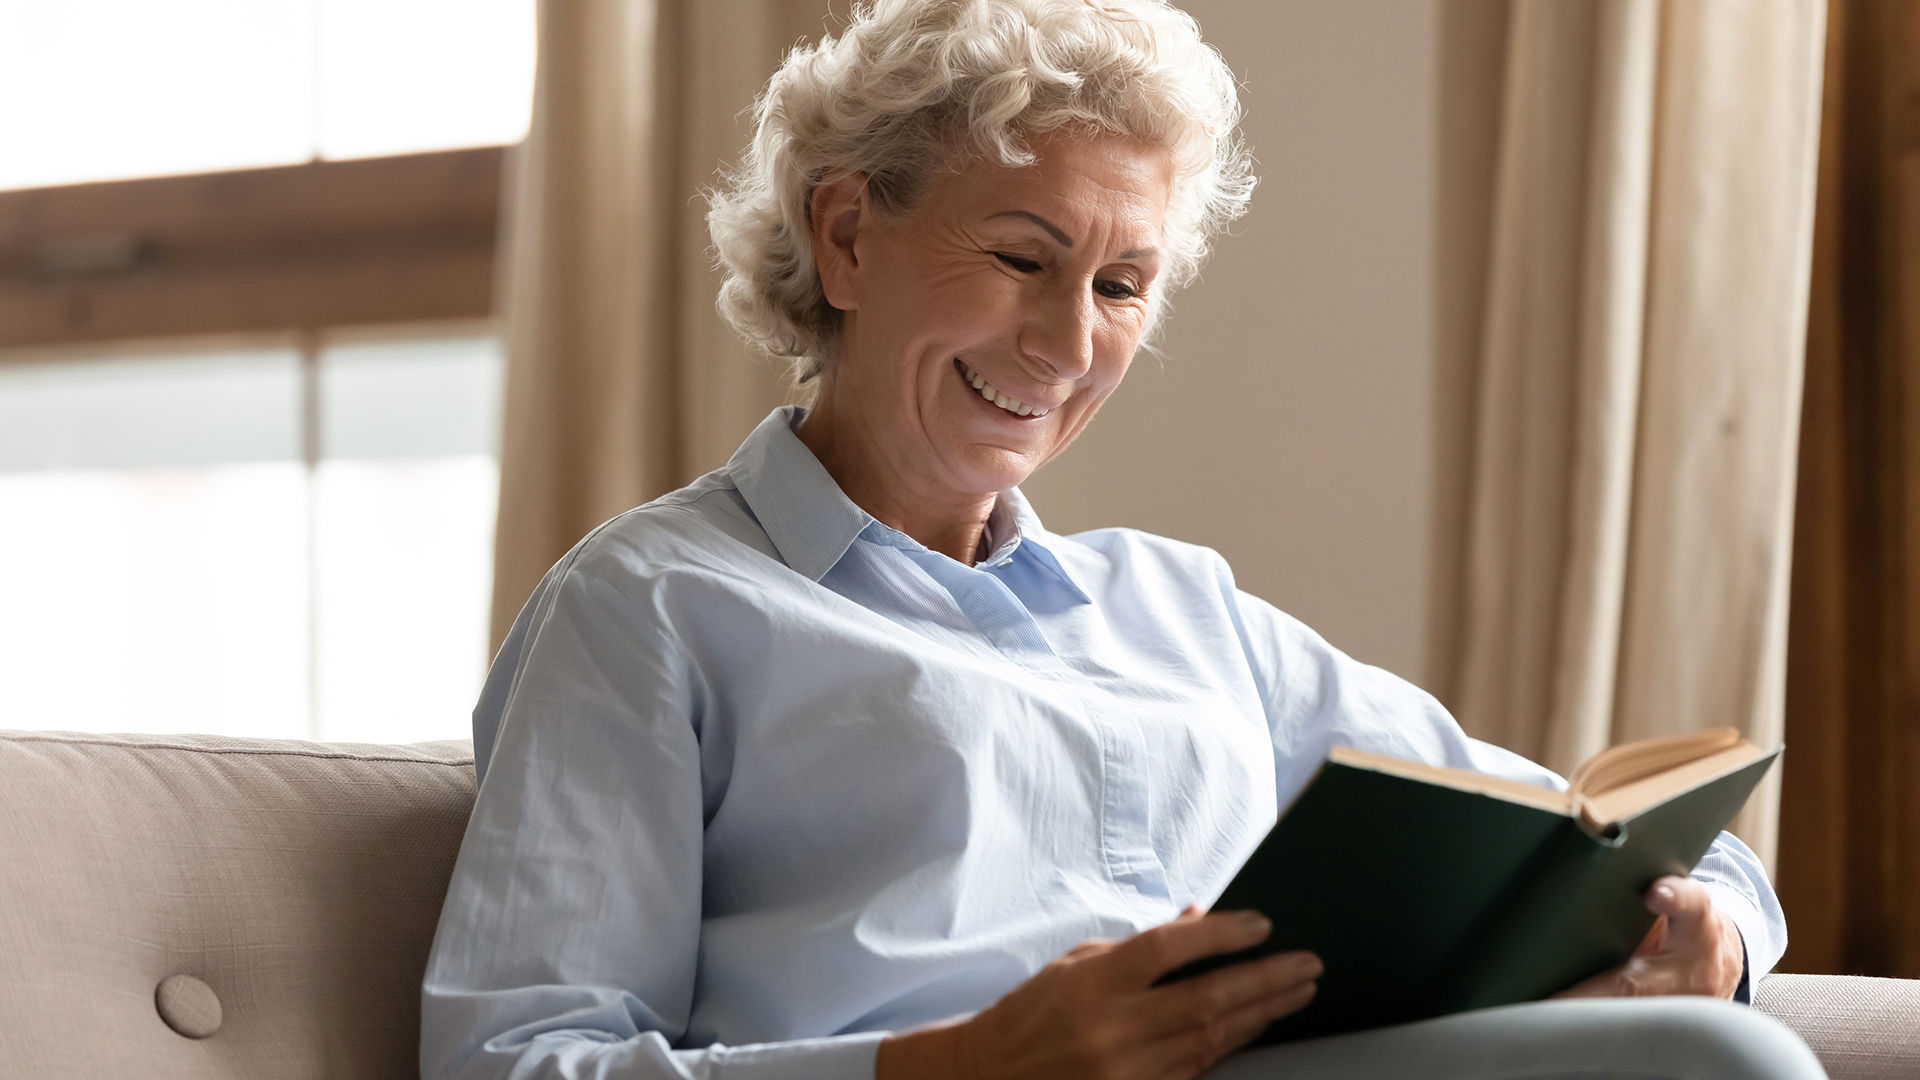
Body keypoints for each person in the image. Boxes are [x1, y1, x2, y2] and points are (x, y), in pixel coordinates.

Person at [420, 2, 1824, 1078]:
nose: (1068, 341)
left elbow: (1599, 834)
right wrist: (962, 1066)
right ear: (845, 236)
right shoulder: (651, 608)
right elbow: (511, 1059)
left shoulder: (1181, 610)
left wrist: (1713, 924)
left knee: (1718, 1034)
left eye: (1123, 283)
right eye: (1024, 258)